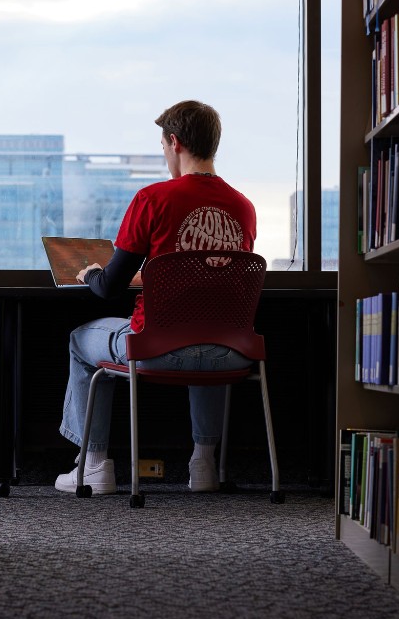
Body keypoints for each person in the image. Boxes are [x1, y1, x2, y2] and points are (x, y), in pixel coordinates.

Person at [55, 100, 257, 495]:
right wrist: (152, 278)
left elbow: (108, 288)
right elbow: (212, 278)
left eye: (163, 147)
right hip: (230, 351)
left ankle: (94, 465)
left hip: (155, 349)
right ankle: (204, 465)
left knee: (80, 339)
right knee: (207, 330)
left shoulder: (153, 199)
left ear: (174, 141)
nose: (164, 154)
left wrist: (90, 273)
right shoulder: (244, 207)